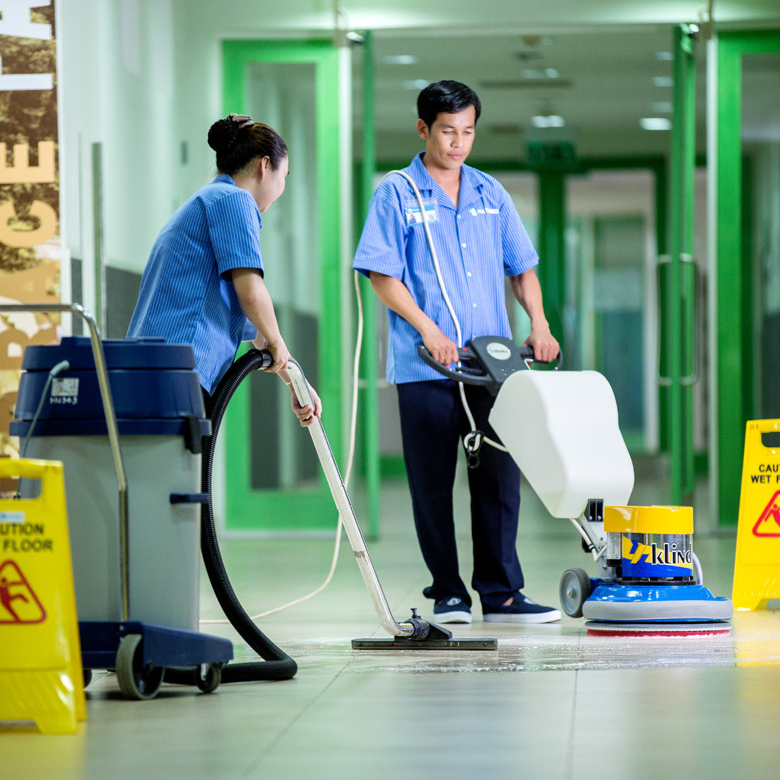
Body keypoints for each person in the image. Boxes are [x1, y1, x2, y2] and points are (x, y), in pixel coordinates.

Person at [353, 81, 560, 624]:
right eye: (448, 131)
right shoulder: (397, 193)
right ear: (423, 129)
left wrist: (539, 324)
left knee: (499, 478)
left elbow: (522, 268)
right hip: (425, 365)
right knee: (431, 483)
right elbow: (382, 274)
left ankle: (502, 593)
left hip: (492, 365)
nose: (458, 143)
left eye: (468, 131)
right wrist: (429, 330)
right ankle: (448, 592)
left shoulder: (491, 194)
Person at [127, 114, 320, 427]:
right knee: (174, 460)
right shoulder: (234, 200)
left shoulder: (210, 200)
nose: (282, 188)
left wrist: (296, 383)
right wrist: (278, 344)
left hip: (156, 371)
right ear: (265, 165)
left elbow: (256, 326)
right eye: (284, 176)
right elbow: (252, 295)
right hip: (177, 370)